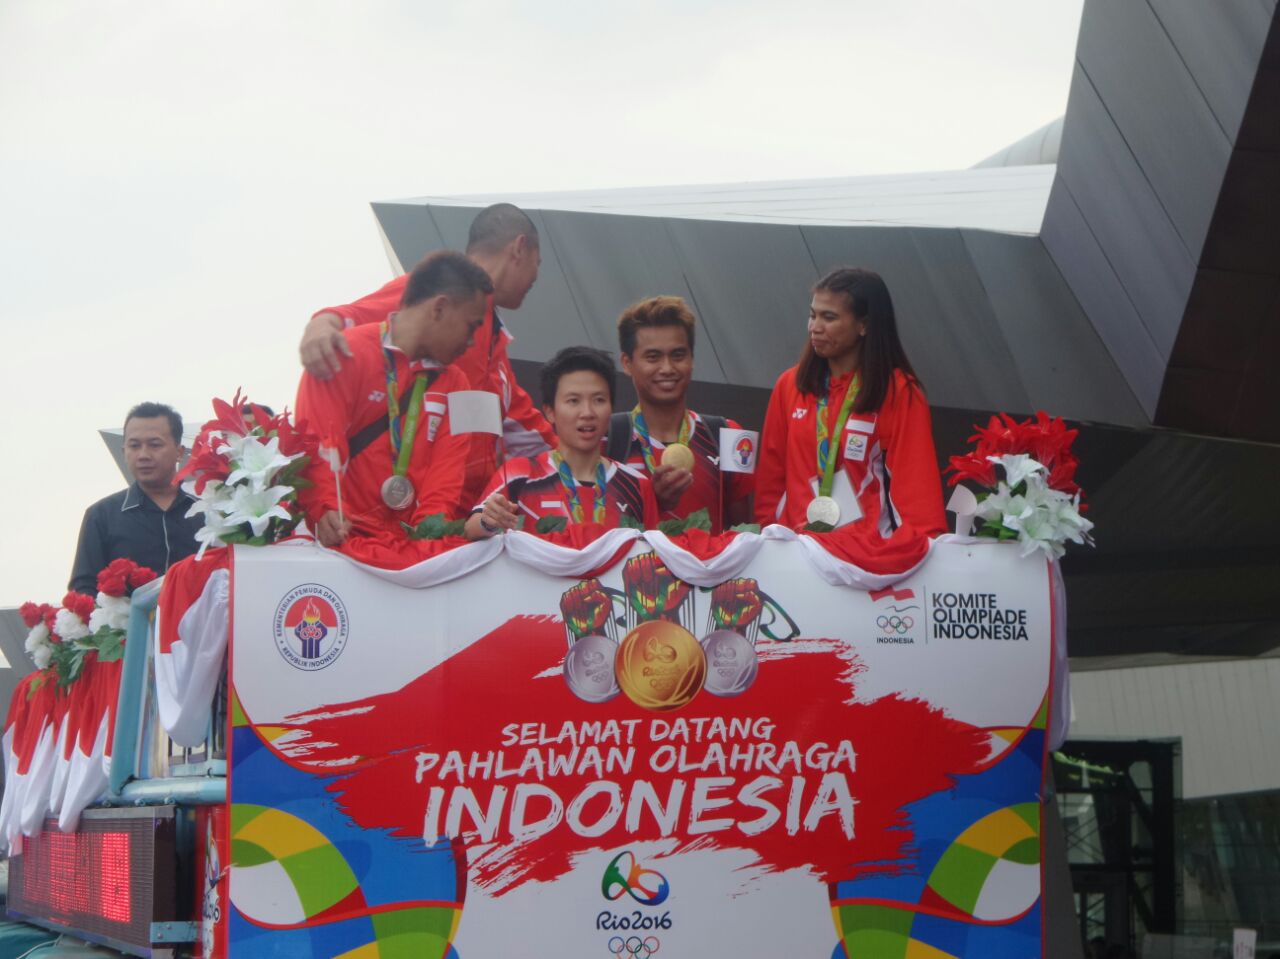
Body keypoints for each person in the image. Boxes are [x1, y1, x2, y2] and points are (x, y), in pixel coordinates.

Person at [299, 202, 556, 507]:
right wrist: (321, 324)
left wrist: (585, 463)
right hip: (407, 513)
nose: (537, 275)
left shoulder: (495, 341)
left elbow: (524, 424)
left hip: (469, 513)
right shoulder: (434, 293)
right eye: (537, 262)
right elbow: (349, 316)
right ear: (519, 248)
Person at [295, 250, 492, 547]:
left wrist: (426, 540)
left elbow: (446, 481)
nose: (472, 341)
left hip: (406, 550)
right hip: (339, 544)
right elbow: (318, 445)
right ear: (439, 308)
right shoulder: (344, 354)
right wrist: (323, 510)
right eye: (471, 325)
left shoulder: (459, 384)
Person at [755, 267, 945, 536]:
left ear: (864, 325)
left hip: (867, 560)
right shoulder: (790, 385)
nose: (815, 327)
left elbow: (917, 495)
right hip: (797, 554)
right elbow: (770, 487)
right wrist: (771, 539)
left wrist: (917, 551)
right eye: (812, 315)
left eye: (829, 317)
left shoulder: (898, 392)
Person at [466, 347, 660, 539]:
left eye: (599, 400)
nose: (587, 413)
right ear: (550, 411)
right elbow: (471, 529)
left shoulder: (637, 485)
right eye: (573, 401)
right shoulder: (519, 473)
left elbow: (653, 552)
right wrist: (488, 521)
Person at [607, 296, 753, 533]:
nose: (667, 368)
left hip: (710, 569)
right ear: (627, 363)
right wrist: (652, 501)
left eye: (678, 355)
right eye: (653, 357)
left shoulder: (730, 435)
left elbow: (746, 534)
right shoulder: (608, 439)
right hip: (636, 570)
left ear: (692, 359)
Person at [69, 402, 201, 592]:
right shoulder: (102, 516)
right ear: (124, 452)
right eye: (134, 446)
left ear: (179, 452)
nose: (143, 455)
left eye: (155, 445)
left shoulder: (207, 512)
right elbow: (83, 589)